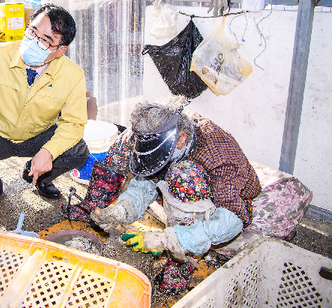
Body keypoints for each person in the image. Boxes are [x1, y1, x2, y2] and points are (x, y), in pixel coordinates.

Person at [67, 96, 312, 264]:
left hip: (230, 200)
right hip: (189, 181)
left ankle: (184, 258)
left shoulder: (221, 157)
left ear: (182, 138)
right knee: (164, 168)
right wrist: (124, 209)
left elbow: (232, 220)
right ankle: (175, 224)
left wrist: (170, 240)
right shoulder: (161, 127)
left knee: (184, 177)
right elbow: (148, 176)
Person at [0, 3, 90, 216]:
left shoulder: (73, 75)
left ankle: (38, 176)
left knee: (78, 151)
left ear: (61, 50)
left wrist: (48, 152)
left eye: (46, 40)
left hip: (38, 135)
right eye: (32, 31)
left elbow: (74, 123)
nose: (34, 41)